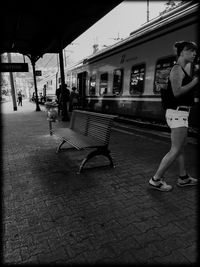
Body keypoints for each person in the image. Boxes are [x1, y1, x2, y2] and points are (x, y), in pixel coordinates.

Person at [149, 41, 199, 192]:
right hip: (177, 114)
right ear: (182, 52)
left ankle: (183, 177)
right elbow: (177, 92)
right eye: (191, 51)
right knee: (176, 149)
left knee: (181, 148)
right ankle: (156, 179)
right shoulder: (177, 70)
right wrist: (196, 81)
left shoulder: (178, 69)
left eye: (195, 51)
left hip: (178, 113)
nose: (194, 53)